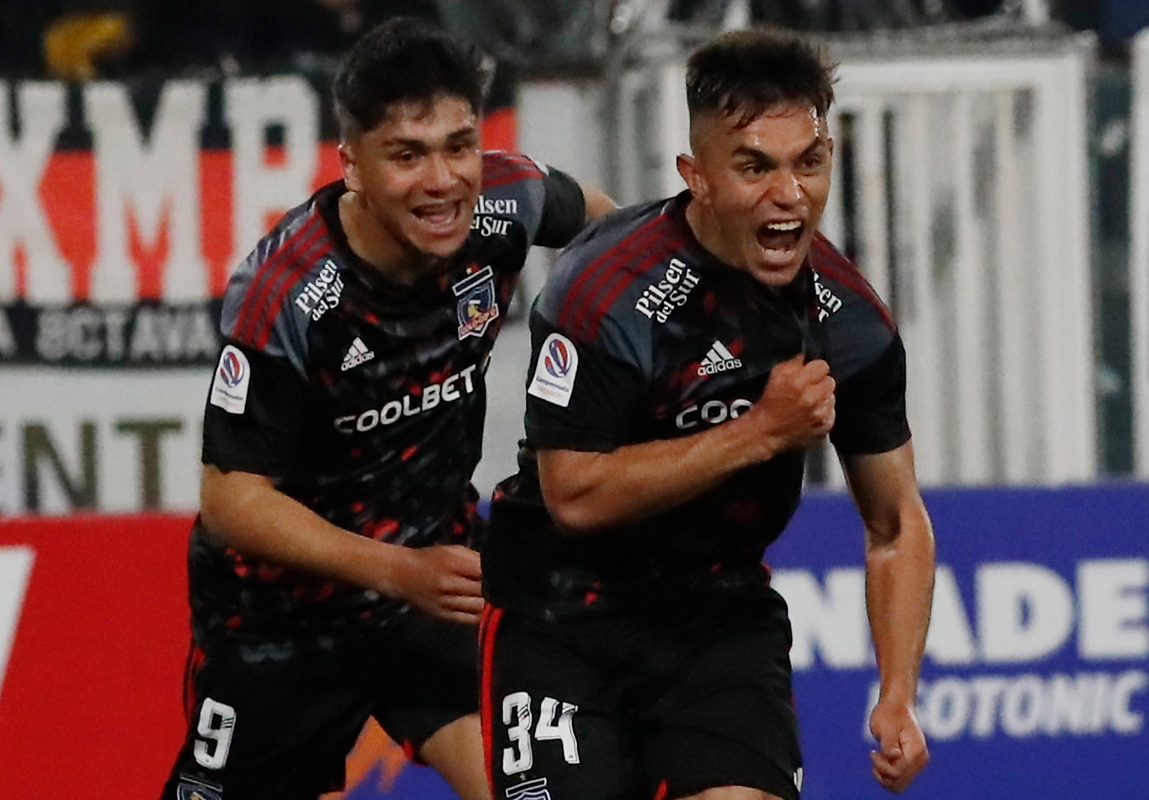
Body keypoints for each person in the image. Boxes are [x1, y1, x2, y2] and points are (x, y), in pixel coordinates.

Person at [160, 17, 615, 800]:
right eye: (407, 155)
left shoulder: (511, 199)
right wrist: (397, 571)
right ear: (354, 165)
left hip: (435, 595)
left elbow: (623, 244)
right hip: (278, 628)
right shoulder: (290, 297)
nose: (442, 182)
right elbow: (232, 501)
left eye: (458, 145)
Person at [481, 27, 934, 800]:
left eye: (809, 163)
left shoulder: (852, 322)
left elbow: (895, 523)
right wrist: (761, 431)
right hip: (560, 619)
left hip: (717, 619)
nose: (789, 195)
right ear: (698, 177)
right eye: (755, 166)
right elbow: (573, 494)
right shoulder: (604, 294)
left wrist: (897, 693)